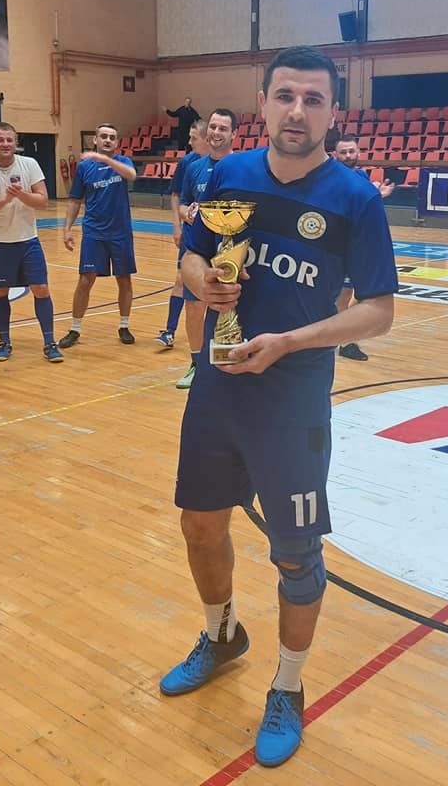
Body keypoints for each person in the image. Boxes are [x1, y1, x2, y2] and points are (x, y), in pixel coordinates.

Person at [160, 47, 397, 769]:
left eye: (313, 99)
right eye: (286, 96)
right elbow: (190, 255)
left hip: (293, 401)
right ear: (262, 103)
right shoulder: (226, 175)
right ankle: (222, 634)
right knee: (200, 526)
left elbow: (380, 311)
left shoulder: (355, 199)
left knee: (295, 555)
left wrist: (291, 340)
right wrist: (203, 283)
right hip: (218, 384)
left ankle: (289, 686)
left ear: (333, 112)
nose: (298, 110)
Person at [0, 122, 62, 362]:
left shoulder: (29, 164)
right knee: (0, 292)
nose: (5, 144)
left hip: (28, 240)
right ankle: (4, 342)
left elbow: (43, 201)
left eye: (9, 139)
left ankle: (50, 342)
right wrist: (5, 200)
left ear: (16, 142)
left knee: (41, 289)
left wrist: (20, 194)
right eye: (0, 140)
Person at [172, 108, 238, 389]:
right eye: (213, 127)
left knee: (227, 307)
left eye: (223, 128)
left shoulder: (241, 167)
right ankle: (197, 365)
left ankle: (224, 366)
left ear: (234, 134)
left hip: (229, 250)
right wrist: (186, 213)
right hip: (197, 249)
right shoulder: (194, 167)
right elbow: (183, 202)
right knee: (194, 306)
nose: (216, 132)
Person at [59, 123, 137, 348]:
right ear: (95, 140)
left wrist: (105, 160)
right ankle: (74, 329)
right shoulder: (85, 168)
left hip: (120, 232)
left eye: (112, 137)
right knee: (85, 280)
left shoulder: (123, 162)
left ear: (117, 142)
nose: (108, 140)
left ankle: (124, 325)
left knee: (124, 279)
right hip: (94, 232)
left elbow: (131, 175)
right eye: (103, 136)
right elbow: (75, 200)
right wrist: (67, 229)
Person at [332, 133, 394, 362]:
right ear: (335, 155)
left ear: (358, 152)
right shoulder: (332, 178)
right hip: (339, 247)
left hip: (359, 246)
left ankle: (343, 338)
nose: (348, 155)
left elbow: (363, 207)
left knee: (362, 296)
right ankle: (343, 342)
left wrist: (377, 196)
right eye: (343, 152)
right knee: (341, 298)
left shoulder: (361, 176)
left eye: (352, 151)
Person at [155, 119, 209, 351]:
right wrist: (177, 226)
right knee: (181, 279)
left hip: (215, 237)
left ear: (206, 138)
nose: (189, 141)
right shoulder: (188, 162)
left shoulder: (224, 163)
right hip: (191, 234)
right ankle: (169, 331)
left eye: (193, 137)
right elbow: (177, 196)